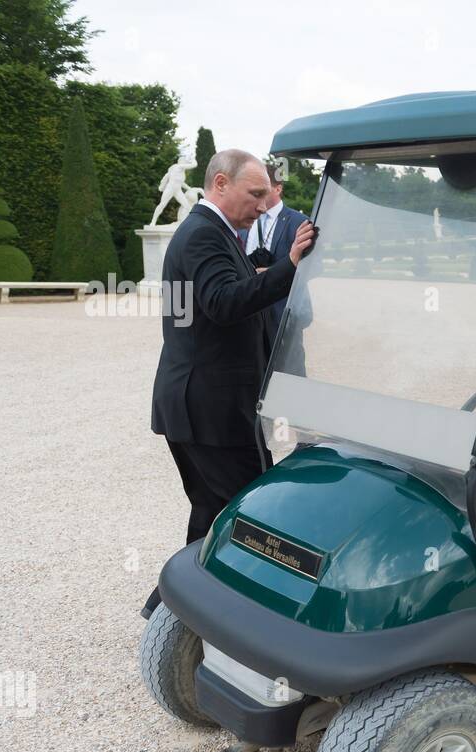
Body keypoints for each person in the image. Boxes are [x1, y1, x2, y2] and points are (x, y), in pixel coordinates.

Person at [141, 149, 315, 619]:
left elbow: (223, 292)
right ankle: (244, 620)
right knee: (253, 513)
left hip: (194, 406)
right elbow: (222, 302)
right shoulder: (202, 234)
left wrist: (270, 266)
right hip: (212, 411)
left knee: (211, 513)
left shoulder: (213, 232)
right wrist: (290, 267)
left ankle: (170, 611)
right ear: (220, 184)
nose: (263, 205)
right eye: (255, 193)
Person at [239, 163, 310, 356]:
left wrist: (271, 273)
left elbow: (314, 266)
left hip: (283, 310)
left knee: (289, 370)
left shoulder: (299, 221)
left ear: (278, 188)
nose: (256, 195)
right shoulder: (244, 219)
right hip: (249, 307)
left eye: (263, 189)